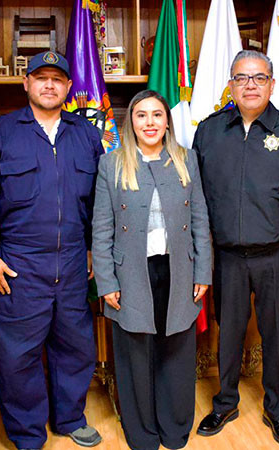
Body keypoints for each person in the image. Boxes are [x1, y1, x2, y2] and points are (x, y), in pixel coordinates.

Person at [0, 51, 104, 450]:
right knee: (17, 356)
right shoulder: (0, 133)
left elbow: (100, 203)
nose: (50, 85)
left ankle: (70, 418)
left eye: (58, 79)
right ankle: (26, 434)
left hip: (73, 262)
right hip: (18, 265)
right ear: (26, 84)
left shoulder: (86, 136)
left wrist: (92, 248)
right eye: (41, 77)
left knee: (74, 347)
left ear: (69, 88)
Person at [193, 50, 279, 447]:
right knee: (228, 333)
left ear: (272, 84)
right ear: (230, 84)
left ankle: (276, 411)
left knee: (273, 334)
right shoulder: (210, 131)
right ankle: (226, 402)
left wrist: (275, 221)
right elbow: (197, 191)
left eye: (259, 77)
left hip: (277, 256)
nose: (250, 85)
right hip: (228, 256)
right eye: (241, 78)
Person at [91, 90, 212, 450]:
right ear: (131, 122)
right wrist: (106, 281)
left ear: (167, 121)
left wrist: (203, 272)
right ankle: (142, 433)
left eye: (157, 115)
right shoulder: (111, 164)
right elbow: (101, 229)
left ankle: (174, 428)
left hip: (178, 271)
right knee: (135, 355)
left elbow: (200, 220)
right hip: (130, 276)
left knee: (175, 350)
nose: (149, 122)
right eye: (141, 115)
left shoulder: (186, 160)